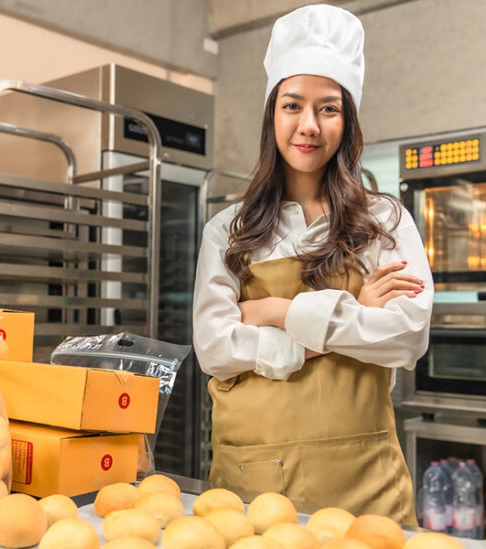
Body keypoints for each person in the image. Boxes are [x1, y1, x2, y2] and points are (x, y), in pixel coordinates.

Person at [192, 4, 433, 525]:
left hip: (366, 486)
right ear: (271, 114)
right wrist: (349, 315)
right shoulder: (228, 231)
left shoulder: (384, 221)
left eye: (328, 108)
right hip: (254, 482)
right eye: (292, 105)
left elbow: (406, 336)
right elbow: (214, 348)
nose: (308, 126)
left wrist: (276, 310)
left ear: (347, 120)